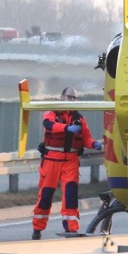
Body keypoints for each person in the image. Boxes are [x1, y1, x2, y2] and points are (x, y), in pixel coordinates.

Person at [31, 87, 103, 240]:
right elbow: (48, 125)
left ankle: (71, 228)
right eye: (68, 97)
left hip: (70, 160)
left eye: (73, 98)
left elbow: (86, 138)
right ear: (62, 97)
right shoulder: (52, 112)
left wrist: (94, 144)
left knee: (70, 194)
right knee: (46, 195)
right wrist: (66, 128)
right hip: (51, 160)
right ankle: (37, 228)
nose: (71, 100)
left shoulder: (79, 118)